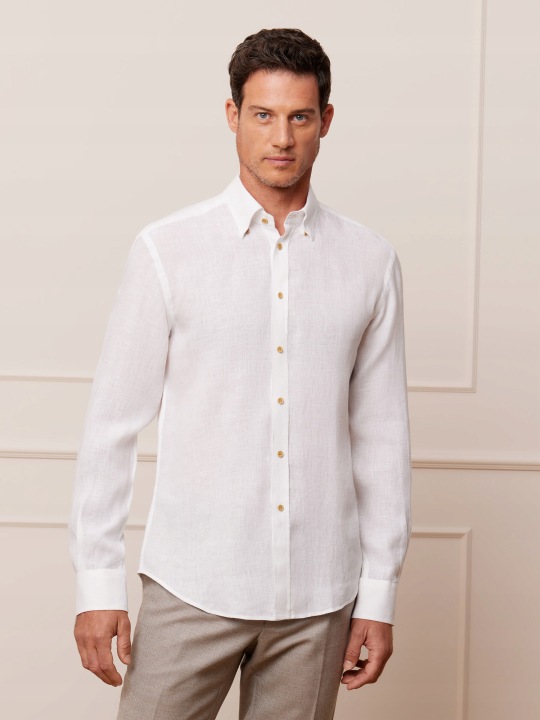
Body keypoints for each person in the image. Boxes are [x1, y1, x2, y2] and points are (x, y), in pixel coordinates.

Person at [69, 27, 412, 720]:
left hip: (319, 598)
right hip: (193, 583)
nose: (281, 137)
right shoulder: (168, 250)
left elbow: (382, 439)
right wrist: (97, 583)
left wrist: (377, 595)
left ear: (326, 121)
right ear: (233, 116)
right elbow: (111, 427)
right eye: (263, 115)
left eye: (300, 116)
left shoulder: (370, 262)